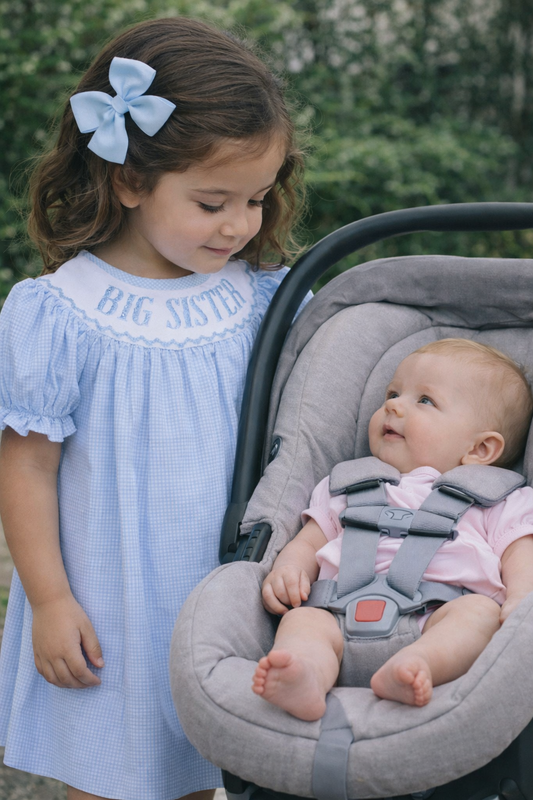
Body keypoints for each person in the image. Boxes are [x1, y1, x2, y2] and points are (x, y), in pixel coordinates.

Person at [0, 17, 306, 800]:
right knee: (110, 776)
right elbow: (27, 467)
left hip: (221, 587)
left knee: (200, 766)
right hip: (111, 597)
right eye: (212, 202)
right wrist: (50, 598)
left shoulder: (258, 298)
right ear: (129, 180)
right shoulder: (61, 311)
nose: (240, 224)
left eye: (256, 199)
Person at [252, 339, 533, 721]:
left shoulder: (497, 500)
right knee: (302, 621)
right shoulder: (348, 485)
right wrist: (289, 570)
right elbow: (309, 540)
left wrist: (521, 598)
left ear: (481, 450)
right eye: (393, 393)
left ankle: (418, 665)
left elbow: (521, 553)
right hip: (337, 611)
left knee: (480, 615)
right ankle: (306, 673)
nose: (393, 405)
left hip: (438, 613)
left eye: (425, 401)